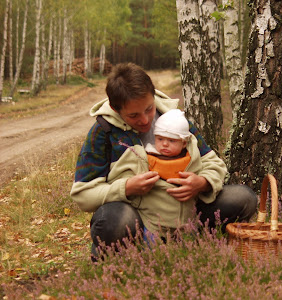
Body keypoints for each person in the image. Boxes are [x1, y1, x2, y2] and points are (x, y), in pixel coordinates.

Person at [70, 62, 257, 259]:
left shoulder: (173, 118)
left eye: (149, 109)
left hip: (188, 211)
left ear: (153, 95)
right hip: (139, 217)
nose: (145, 120)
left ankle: (197, 245)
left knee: (243, 198)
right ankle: (130, 257)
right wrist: (126, 188)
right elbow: (83, 194)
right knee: (113, 221)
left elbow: (213, 162)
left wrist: (202, 183)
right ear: (116, 110)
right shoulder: (103, 131)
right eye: (133, 115)